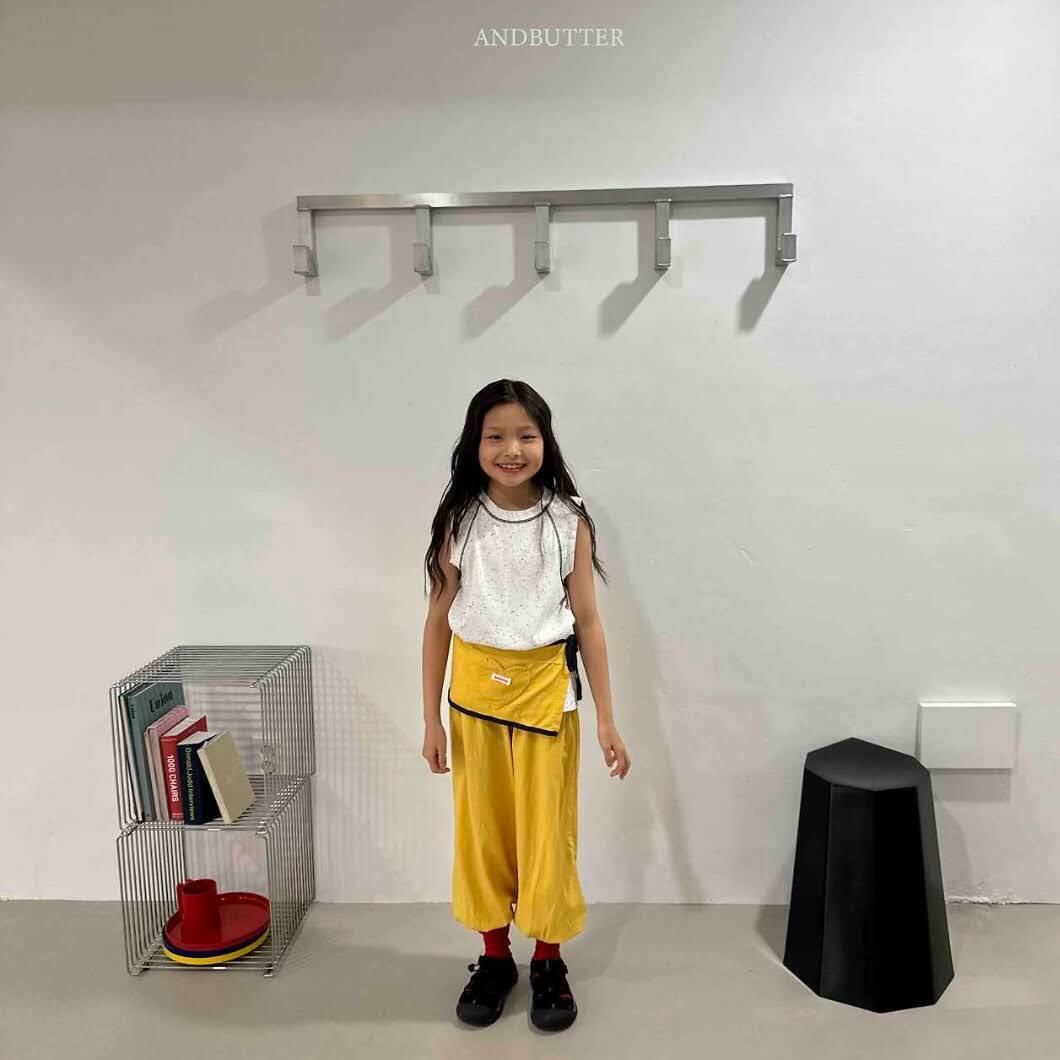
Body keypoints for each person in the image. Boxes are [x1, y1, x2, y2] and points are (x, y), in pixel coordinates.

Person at [421, 378, 631, 1032]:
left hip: (547, 697)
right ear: (474, 443)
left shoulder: (568, 521)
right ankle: (493, 957)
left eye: (526, 435)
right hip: (474, 699)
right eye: (496, 436)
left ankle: (547, 959)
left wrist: (606, 718)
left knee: (547, 834)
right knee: (482, 832)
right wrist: (430, 718)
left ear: (546, 441)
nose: (511, 449)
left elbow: (588, 623)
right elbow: (438, 621)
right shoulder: (459, 520)